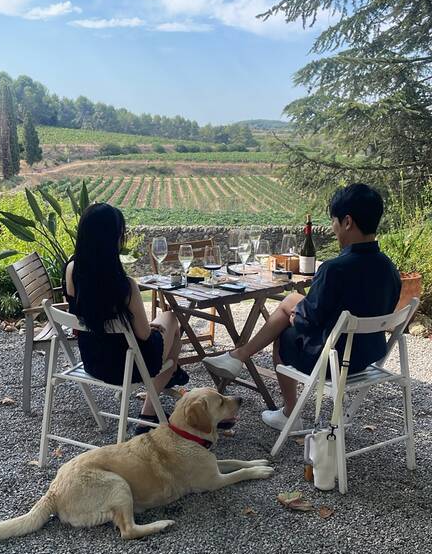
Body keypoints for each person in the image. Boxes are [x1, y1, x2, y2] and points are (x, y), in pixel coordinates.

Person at [203, 183, 401, 430]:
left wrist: (296, 315)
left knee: (285, 332)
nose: (333, 229)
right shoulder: (389, 268)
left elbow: (307, 322)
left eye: (334, 222)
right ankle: (239, 356)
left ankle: (287, 410)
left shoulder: (334, 269)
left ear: (347, 222)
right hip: (369, 356)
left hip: (334, 361)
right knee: (292, 302)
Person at [63, 203, 185, 433]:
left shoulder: (71, 269)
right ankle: (149, 413)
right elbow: (144, 335)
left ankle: (170, 373)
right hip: (127, 366)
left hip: (92, 360)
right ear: (115, 240)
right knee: (170, 320)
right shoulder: (125, 286)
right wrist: (155, 327)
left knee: (167, 339)